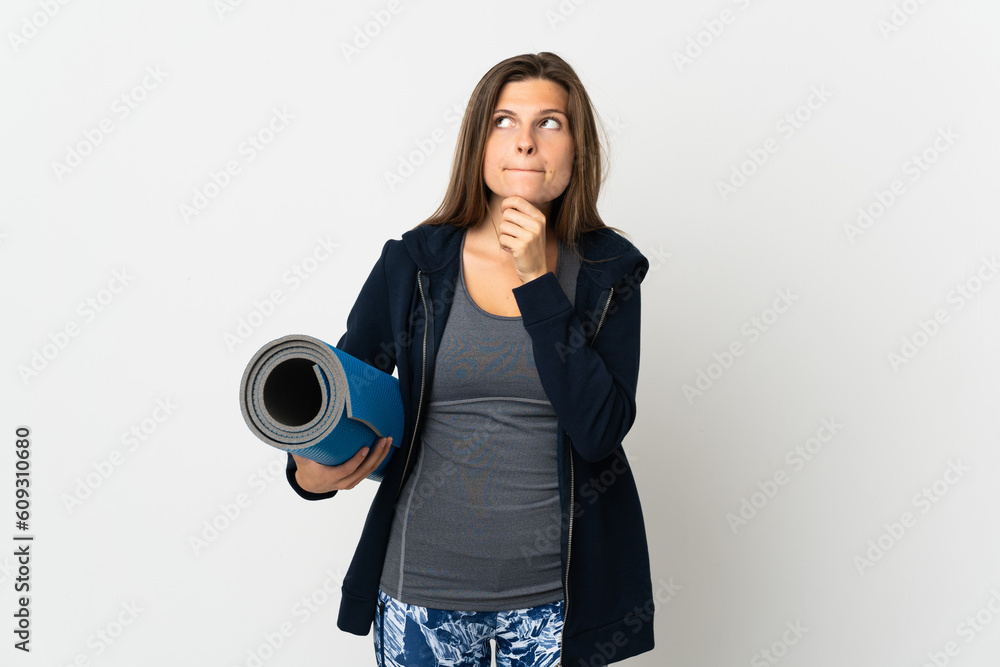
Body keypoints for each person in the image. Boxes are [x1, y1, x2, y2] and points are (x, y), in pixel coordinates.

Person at [286, 52, 654, 666]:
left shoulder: (609, 272)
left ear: (577, 149)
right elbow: (341, 396)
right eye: (505, 121)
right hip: (420, 592)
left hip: (555, 604)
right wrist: (308, 476)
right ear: (478, 144)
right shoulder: (415, 264)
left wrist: (537, 281)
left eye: (551, 124)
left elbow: (599, 432)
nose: (527, 143)